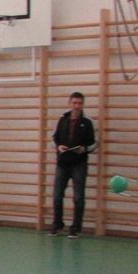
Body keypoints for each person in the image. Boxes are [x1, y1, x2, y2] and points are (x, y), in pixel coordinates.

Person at [50, 92, 98, 238]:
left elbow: (95, 143)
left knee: (78, 197)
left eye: (79, 103)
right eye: (74, 103)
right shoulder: (62, 119)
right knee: (57, 195)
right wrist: (58, 147)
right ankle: (57, 225)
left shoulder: (88, 122)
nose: (77, 106)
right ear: (69, 103)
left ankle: (76, 228)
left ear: (82, 105)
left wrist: (84, 149)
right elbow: (54, 139)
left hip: (79, 164)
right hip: (62, 163)